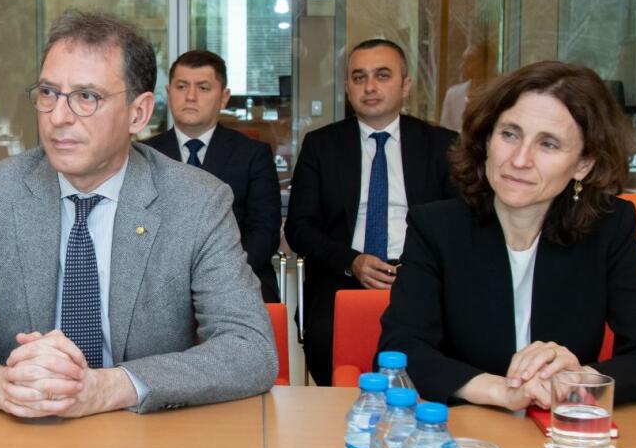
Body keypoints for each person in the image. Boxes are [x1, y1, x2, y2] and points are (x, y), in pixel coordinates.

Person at [0, 10, 277, 418]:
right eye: (49, 93)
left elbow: (250, 349)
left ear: (138, 113)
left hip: (146, 433)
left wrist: (109, 387)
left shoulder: (196, 201)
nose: (58, 117)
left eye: (87, 97)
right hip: (25, 427)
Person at [378, 61, 636, 408]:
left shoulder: (609, 227)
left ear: (583, 164)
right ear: (487, 139)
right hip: (465, 426)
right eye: (509, 134)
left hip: (562, 428)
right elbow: (401, 349)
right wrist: (502, 391)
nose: (520, 160)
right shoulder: (436, 227)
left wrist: (577, 381)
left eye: (548, 144)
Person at [284, 38, 456, 385]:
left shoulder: (442, 145)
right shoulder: (321, 145)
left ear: (405, 86)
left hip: (422, 274)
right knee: (326, 345)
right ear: (348, 88)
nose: (370, 86)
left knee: (442, 347)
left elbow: (458, 223)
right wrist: (354, 262)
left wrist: (416, 265)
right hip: (342, 275)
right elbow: (300, 227)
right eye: (359, 77)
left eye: (382, 75)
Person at [144, 50, 282, 302]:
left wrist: (218, 277)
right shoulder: (143, 155)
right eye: (181, 86)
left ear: (224, 97)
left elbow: (265, 233)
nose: (190, 96)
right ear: (168, 92)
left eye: (203, 87)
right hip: (158, 287)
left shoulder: (252, 155)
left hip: (236, 279)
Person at [439, 41, 488, 132]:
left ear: (486, 64)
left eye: (469, 61)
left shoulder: (500, 93)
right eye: (464, 61)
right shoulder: (453, 94)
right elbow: (444, 129)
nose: (461, 67)